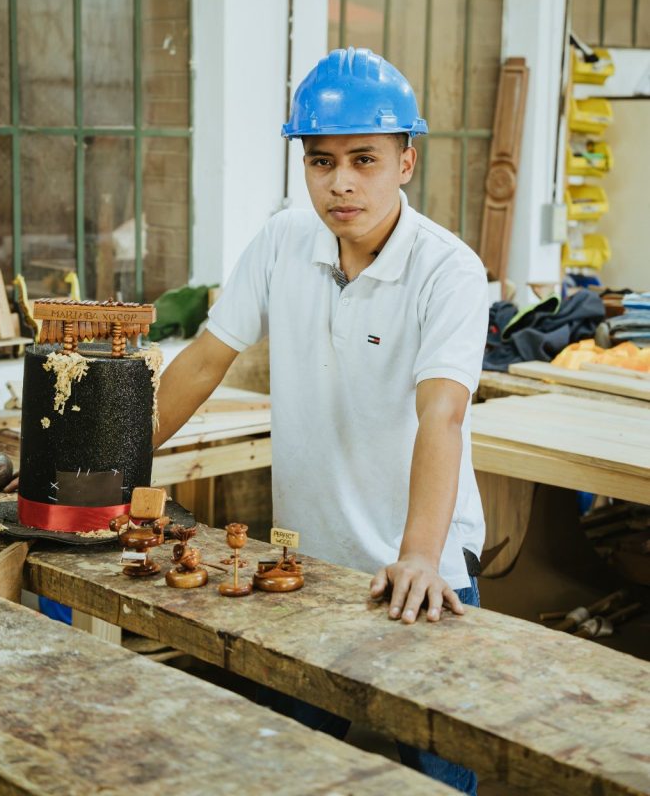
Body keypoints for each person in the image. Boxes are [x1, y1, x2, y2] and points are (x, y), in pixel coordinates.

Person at [154, 47, 488, 794]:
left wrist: (419, 557)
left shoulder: (449, 271)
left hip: (420, 573)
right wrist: (104, 476)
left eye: (365, 160)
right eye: (321, 161)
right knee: (283, 767)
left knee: (437, 775)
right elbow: (204, 361)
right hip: (304, 566)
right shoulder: (282, 241)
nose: (341, 182)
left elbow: (441, 414)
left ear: (405, 162)